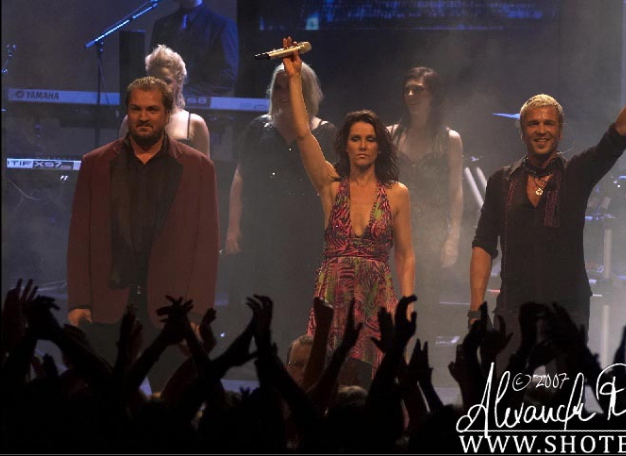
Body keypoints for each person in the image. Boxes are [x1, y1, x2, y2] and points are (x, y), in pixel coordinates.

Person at [468, 49, 626, 370]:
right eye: (533, 124)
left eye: (549, 123)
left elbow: (620, 132)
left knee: (564, 396)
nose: (541, 130)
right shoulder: (501, 181)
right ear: (522, 131)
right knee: (506, 396)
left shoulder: (575, 174)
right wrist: (475, 307)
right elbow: (483, 245)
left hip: (567, 310)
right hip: (513, 309)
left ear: (560, 131)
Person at [66, 76, 220, 392]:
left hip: (171, 308)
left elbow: (206, 246)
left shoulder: (198, 168)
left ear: (167, 114)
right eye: (136, 109)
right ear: (127, 112)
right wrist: (79, 301)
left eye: (152, 109)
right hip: (109, 304)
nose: (143, 117)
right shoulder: (95, 164)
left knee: (171, 404)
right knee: (105, 401)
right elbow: (79, 239)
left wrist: (197, 311)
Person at [279, 37, 415, 389]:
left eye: (370, 139)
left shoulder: (397, 193)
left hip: (377, 292)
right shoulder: (330, 185)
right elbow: (304, 134)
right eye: (356, 138)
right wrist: (294, 78)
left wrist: (407, 303)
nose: (363, 145)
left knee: (378, 377)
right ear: (346, 145)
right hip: (333, 291)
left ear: (380, 146)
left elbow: (405, 254)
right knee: (327, 374)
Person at [224, 62, 336, 351]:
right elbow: (240, 178)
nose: (284, 94)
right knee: (262, 302)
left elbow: (332, 189)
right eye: (279, 88)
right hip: (262, 232)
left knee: (301, 304)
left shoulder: (325, 133)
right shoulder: (258, 128)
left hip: (307, 234)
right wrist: (233, 228)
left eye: (291, 87)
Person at [388, 66, 463, 347]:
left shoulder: (449, 139)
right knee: (393, 303)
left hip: (432, 235)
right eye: (407, 90)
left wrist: (453, 238)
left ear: (433, 95)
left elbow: (456, 192)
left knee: (426, 306)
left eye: (418, 89)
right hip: (395, 234)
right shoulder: (391, 136)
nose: (411, 95)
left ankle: (421, 365)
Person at [150, 0, 239, 98]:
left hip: (200, 105)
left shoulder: (221, 27)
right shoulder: (162, 25)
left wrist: (187, 93)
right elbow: (153, 68)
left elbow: (226, 76)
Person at [119, 45, 211, 157]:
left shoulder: (195, 124)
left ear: (179, 82)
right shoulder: (131, 120)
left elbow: (204, 167)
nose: (160, 86)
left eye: (167, 81)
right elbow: (121, 163)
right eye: (155, 81)